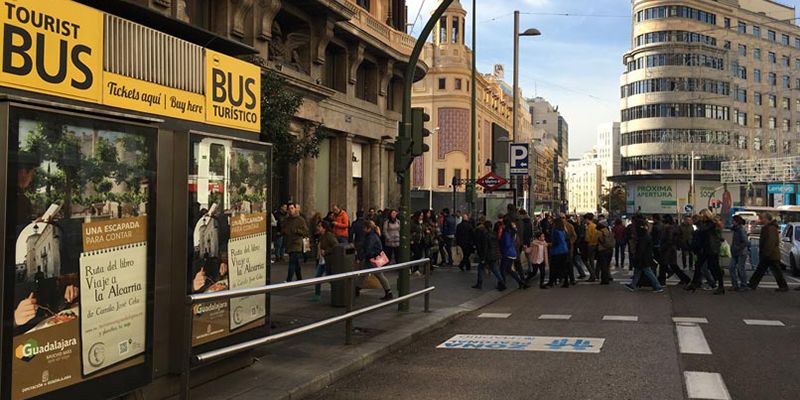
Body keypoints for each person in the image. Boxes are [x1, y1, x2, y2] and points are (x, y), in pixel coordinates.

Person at [748, 212, 790, 292]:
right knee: (762, 270)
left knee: (773, 271)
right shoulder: (769, 227)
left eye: (762, 218)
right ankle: (752, 284)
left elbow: (771, 242)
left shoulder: (770, 228)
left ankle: (783, 286)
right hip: (770, 254)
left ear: (766, 219)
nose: (760, 220)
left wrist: (766, 253)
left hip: (770, 254)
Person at [687, 210, 725, 295]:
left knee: (714, 267)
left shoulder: (711, 223)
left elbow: (703, 230)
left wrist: (698, 223)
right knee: (698, 265)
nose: (700, 217)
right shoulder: (706, 223)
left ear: (705, 215)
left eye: (701, 215)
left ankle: (720, 286)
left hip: (711, 249)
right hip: (706, 249)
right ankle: (694, 283)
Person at [357, 221, 393, 300]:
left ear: (368, 228)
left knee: (377, 274)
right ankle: (357, 289)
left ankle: (388, 292)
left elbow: (368, 249)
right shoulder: (373, 235)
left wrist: (361, 257)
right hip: (373, 257)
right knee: (366, 274)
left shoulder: (371, 237)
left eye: (364, 228)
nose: (363, 230)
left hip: (373, 258)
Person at [625, 219, 664, 293]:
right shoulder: (646, 236)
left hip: (643, 258)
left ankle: (658, 286)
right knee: (638, 271)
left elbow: (641, 249)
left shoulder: (643, 238)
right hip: (645, 257)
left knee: (647, 272)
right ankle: (632, 285)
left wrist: (637, 256)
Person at [473, 219, 506, 290]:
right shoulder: (494, 234)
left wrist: (483, 258)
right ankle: (502, 282)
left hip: (488, 255)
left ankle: (479, 283)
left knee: (481, 268)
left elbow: (485, 247)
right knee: (495, 270)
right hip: (494, 254)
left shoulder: (485, 235)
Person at [658, 215, 692, 285]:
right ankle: (685, 279)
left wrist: (662, 247)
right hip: (671, 249)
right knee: (673, 266)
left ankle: (661, 281)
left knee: (664, 265)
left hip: (667, 250)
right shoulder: (674, 228)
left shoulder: (669, 229)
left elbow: (669, 240)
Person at [498, 219, 529, 289]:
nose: (502, 226)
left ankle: (503, 284)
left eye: (503, 224)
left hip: (507, 253)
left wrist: (501, 245)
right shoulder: (513, 232)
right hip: (512, 252)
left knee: (502, 269)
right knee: (509, 269)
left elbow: (506, 244)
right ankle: (521, 282)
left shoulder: (506, 233)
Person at [281, 203, 309, 282]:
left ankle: (288, 280)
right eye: (289, 209)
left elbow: (306, 232)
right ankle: (299, 278)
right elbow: (283, 229)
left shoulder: (300, 220)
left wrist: (297, 231)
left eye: (292, 208)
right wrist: (284, 231)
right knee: (295, 262)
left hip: (297, 243)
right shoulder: (286, 220)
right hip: (289, 242)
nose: (290, 210)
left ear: (295, 209)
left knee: (292, 262)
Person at [312, 221, 339, 301]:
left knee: (330, 277)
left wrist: (326, 251)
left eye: (320, 226)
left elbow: (336, 245)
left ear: (324, 228)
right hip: (322, 260)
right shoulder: (321, 236)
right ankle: (317, 295)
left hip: (328, 260)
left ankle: (337, 292)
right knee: (317, 277)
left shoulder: (329, 235)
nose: (318, 228)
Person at [729, 215, 750, 291]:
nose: (732, 222)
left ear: (736, 222)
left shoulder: (740, 230)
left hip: (740, 252)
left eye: (733, 221)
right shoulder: (737, 229)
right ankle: (736, 285)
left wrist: (737, 248)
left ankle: (743, 285)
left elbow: (745, 242)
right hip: (736, 251)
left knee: (740, 269)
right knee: (732, 267)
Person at [547, 218, 570, 288]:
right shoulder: (563, 230)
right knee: (563, 267)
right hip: (564, 250)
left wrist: (550, 244)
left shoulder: (555, 231)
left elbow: (555, 242)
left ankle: (551, 282)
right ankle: (566, 282)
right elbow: (566, 238)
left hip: (557, 251)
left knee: (553, 267)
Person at [595, 220, 615, 285]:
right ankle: (607, 277)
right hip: (610, 250)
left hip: (602, 250)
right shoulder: (609, 231)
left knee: (603, 266)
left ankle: (604, 280)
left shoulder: (599, 232)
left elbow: (595, 240)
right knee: (607, 265)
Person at [582, 213, 599, 282]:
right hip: (594, 244)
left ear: (587, 219)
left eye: (585, 219)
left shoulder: (590, 226)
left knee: (587, 260)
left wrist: (586, 239)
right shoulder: (594, 226)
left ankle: (592, 275)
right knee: (591, 261)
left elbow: (588, 237)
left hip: (590, 245)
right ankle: (593, 275)